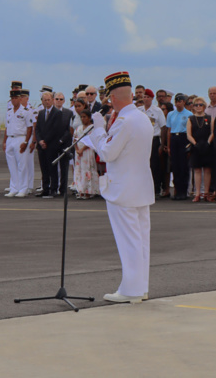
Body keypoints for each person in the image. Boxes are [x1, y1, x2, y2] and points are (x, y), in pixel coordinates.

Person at [89, 72, 154, 304]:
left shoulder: (125, 122)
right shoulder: (142, 118)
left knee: (129, 242)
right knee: (140, 241)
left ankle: (132, 290)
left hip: (123, 189)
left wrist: (97, 129)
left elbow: (107, 152)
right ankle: (140, 287)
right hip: (140, 188)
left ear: (113, 98)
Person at [3, 88, 34, 197]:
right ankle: (14, 188)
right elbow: (6, 128)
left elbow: (30, 128)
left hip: (20, 138)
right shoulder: (9, 112)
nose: (14, 100)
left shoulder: (25, 112)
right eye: (12, 98)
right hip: (10, 138)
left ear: (20, 99)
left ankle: (23, 188)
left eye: (16, 98)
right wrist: (4, 141)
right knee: (12, 165)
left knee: (22, 165)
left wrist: (26, 142)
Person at [35, 92, 65, 198]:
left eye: (48, 100)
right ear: (42, 101)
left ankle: (53, 189)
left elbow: (56, 130)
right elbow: (37, 129)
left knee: (52, 168)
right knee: (44, 169)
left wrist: (45, 141)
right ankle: (45, 189)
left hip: (51, 145)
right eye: (45, 100)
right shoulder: (41, 113)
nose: (47, 102)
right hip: (41, 146)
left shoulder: (57, 113)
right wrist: (40, 141)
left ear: (52, 100)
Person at [186, 96, 214, 202]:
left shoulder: (210, 118)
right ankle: (197, 193)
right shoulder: (191, 119)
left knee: (207, 170)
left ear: (204, 106)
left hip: (207, 146)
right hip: (196, 147)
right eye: (196, 105)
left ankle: (206, 193)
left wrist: (208, 142)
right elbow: (188, 134)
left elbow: (212, 132)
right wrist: (195, 143)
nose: (198, 107)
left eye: (200, 105)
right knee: (197, 170)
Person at [141, 89, 167, 197]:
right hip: (141, 140)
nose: (146, 99)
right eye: (144, 97)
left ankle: (155, 188)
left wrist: (162, 144)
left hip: (153, 139)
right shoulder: (139, 110)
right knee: (142, 164)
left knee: (154, 166)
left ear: (152, 99)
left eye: (148, 97)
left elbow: (163, 127)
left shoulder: (157, 111)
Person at [166, 93, 191, 200]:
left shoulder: (189, 114)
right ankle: (177, 191)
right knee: (175, 166)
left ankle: (183, 192)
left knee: (183, 166)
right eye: (176, 101)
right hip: (174, 138)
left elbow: (190, 130)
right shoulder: (171, 114)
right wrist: (168, 145)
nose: (178, 103)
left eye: (180, 101)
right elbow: (169, 130)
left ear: (184, 102)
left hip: (183, 137)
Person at [74, 109, 100, 199]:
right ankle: (81, 190)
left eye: (84, 117)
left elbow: (91, 140)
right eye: (81, 117)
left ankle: (89, 191)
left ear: (89, 118)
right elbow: (74, 139)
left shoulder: (92, 127)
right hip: (79, 153)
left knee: (88, 169)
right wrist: (77, 149)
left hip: (87, 151)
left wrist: (82, 149)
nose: (83, 119)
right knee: (79, 170)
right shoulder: (78, 128)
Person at [159, 101, 173, 198]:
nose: (161, 111)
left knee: (169, 169)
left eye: (163, 109)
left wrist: (167, 145)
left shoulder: (170, 117)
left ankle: (167, 189)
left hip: (170, 145)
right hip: (160, 145)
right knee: (162, 169)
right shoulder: (159, 118)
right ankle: (164, 189)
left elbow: (168, 131)